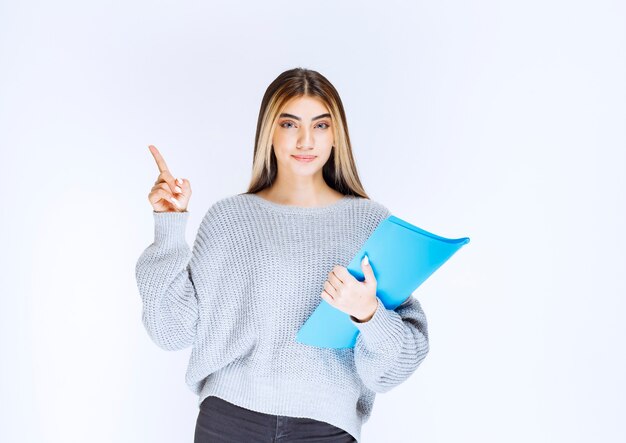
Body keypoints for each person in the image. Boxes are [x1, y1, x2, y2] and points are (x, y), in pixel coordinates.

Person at [135, 67, 430, 443]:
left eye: (321, 126)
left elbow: (391, 369)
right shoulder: (229, 219)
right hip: (229, 420)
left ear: (336, 134)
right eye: (290, 124)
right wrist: (169, 227)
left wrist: (368, 314)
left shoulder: (370, 224)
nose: (306, 140)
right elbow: (170, 331)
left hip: (326, 428)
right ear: (268, 133)